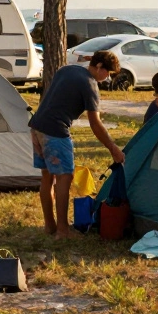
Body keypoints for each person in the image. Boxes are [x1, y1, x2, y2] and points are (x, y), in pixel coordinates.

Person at [28, 51, 125, 239]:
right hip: (55, 131)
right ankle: (63, 231)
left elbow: (49, 99)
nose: (107, 78)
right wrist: (113, 149)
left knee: (47, 177)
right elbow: (95, 123)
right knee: (65, 177)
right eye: (107, 73)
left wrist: (34, 128)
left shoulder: (67, 70)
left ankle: (50, 226)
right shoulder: (89, 84)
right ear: (98, 67)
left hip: (37, 127)